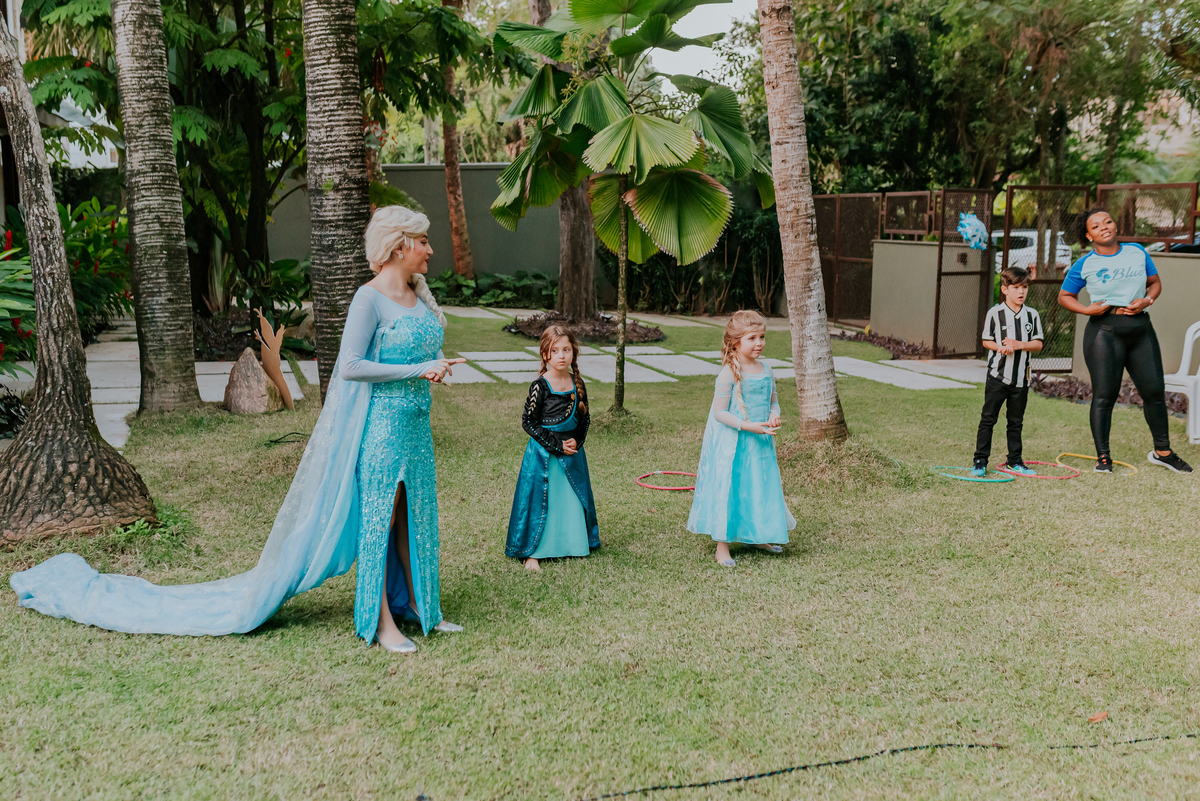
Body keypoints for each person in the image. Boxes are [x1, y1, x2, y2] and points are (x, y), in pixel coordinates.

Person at [10, 205, 469, 654]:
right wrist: (416, 370)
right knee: (379, 519)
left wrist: (435, 366)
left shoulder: (416, 294)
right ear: (398, 246)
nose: (431, 250)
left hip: (415, 426)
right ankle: (380, 619)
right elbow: (350, 366)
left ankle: (420, 605)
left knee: (414, 515)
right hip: (382, 429)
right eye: (424, 241)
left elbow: (417, 349)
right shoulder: (368, 299)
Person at [1058, 208, 1192, 474]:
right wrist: (1086, 309)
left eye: (1107, 221)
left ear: (1115, 225)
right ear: (1089, 235)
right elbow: (1064, 296)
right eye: (1096, 226)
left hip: (1141, 330)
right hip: (1104, 333)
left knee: (1154, 392)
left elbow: (1155, 283)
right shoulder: (1084, 263)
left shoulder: (1137, 252)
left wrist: (1147, 300)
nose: (1104, 227)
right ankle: (1103, 458)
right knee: (1104, 396)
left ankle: (1163, 452)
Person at [687, 310, 795, 567]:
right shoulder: (728, 373)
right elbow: (719, 413)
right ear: (736, 342)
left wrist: (774, 416)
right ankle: (722, 546)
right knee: (731, 489)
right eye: (752, 338)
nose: (759, 343)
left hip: (760, 444)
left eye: (762, 337)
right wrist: (748, 426)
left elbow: (774, 402)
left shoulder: (767, 370)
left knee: (758, 487)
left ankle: (757, 536)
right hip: (734, 444)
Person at [505, 326, 599, 572]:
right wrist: (557, 445)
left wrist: (576, 441)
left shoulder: (577, 383)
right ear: (545, 354)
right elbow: (528, 422)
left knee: (569, 499)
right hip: (544, 455)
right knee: (542, 501)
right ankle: (533, 552)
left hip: (573, 455)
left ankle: (573, 543)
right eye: (554, 350)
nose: (561, 356)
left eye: (566, 350)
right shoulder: (540, 385)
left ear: (573, 352)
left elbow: (585, 418)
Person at [972, 266, 1044, 477]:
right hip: (998, 376)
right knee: (988, 419)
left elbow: (1038, 344)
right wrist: (1000, 347)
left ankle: (1014, 461)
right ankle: (980, 461)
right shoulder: (995, 314)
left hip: (1021, 379)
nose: (1021, 292)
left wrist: (1019, 344)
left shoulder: (1032, 315)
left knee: (1015, 422)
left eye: (1025, 287)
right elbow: (986, 341)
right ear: (1005, 289)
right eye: (1016, 287)